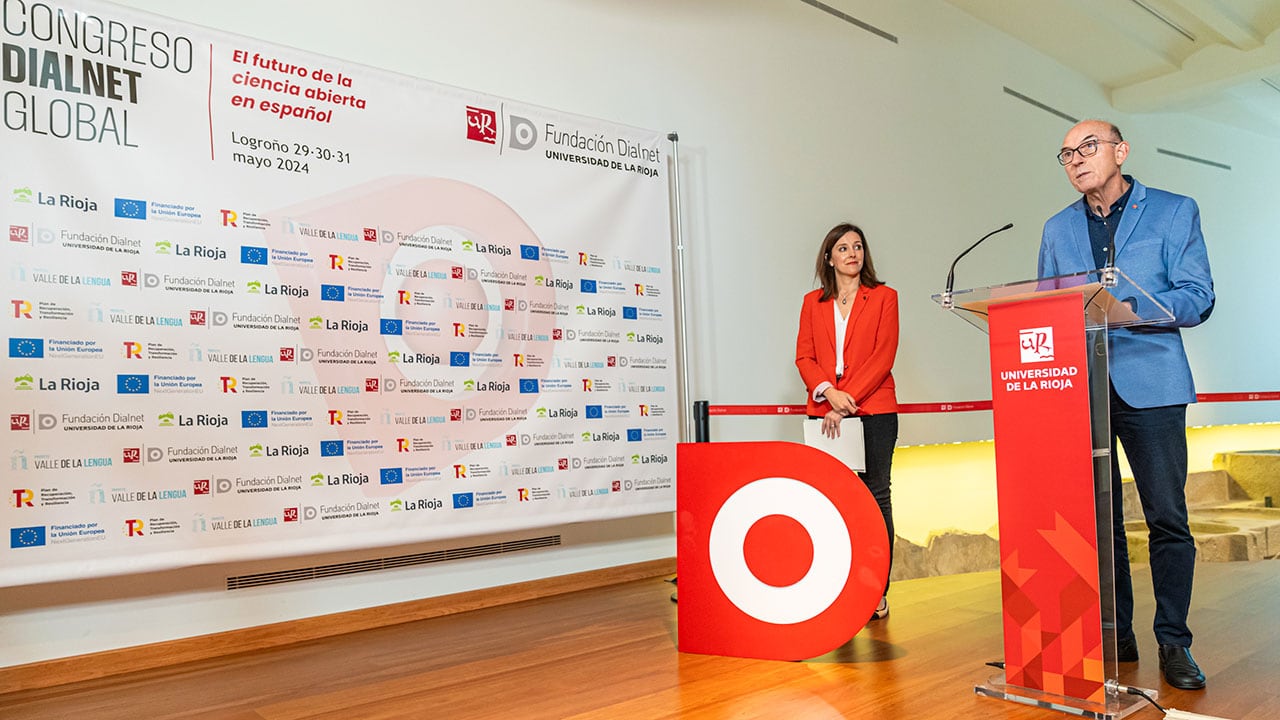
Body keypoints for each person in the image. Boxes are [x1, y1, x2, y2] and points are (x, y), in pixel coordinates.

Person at [1039, 120, 1214, 691]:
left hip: (1152, 384)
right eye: (1066, 155)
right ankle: (1117, 633)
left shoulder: (1173, 210)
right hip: (1082, 390)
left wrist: (1131, 309)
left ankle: (1174, 642)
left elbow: (1198, 296)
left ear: (1121, 151)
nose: (1076, 160)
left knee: (1167, 516)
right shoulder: (1056, 228)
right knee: (1099, 522)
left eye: (1087, 147)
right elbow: (1045, 308)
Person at [795, 222, 899, 619]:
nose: (852, 253)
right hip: (826, 412)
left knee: (876, 498)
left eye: (858, 246)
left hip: (873, 411)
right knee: (832, 501)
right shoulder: (812, 302)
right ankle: (835, 585)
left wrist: (845, 400)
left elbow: (883, 356)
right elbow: (804, 356)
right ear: (829, 257)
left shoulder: (885, 297)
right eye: (843, 248)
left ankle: (875, 591)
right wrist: (829, 393)